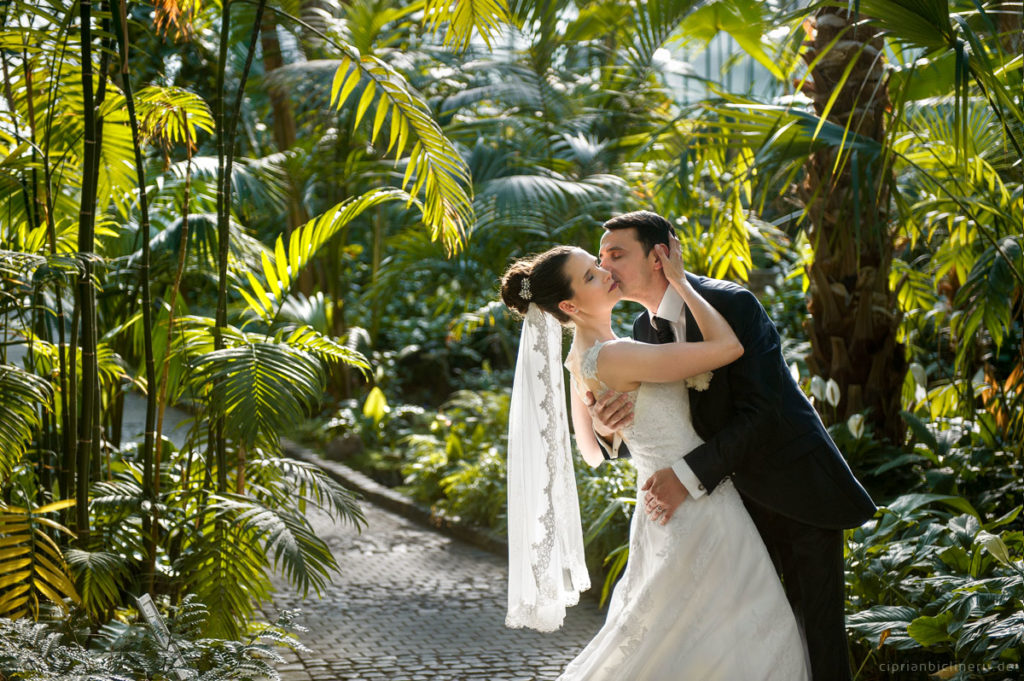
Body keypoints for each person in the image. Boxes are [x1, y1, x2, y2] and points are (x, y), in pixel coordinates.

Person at [499, 239, 809, 680]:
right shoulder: (617, 354)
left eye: (598, 263)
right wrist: (681, 281)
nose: (606, 272)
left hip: (665, 507)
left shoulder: (580, 358)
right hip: (697, 509)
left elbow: (593, 452)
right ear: (569, 305)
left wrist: (607, 425)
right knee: (742, 634)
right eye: (591, 275)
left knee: (686, 640)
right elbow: (727, 347)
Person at [589, 210, 877, 681]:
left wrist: (685, 477)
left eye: (616, 254)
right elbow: (661, 427)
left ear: (660, 256)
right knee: (747, 640)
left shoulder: (732, 304)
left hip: (794, 491)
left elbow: (763, 413)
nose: (605, 267)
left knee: (816, 637)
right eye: (601, 258)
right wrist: (609, 428)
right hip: (726, 511)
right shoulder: (641, 331)